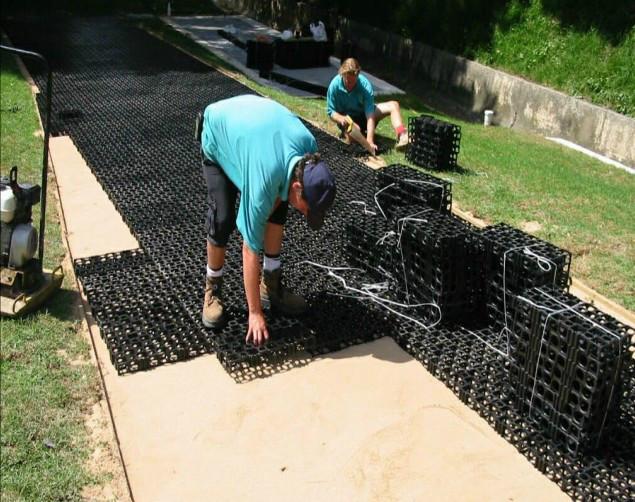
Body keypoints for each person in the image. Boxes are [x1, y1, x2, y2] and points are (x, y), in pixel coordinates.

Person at [200, 94, 337, 346]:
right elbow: (250, 247)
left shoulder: (309, 150)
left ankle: (271, 285)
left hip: (253, 137)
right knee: (223, 217)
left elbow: (282, 196)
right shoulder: (265, 178)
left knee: (278, 206)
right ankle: (213, 288)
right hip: (218, 136)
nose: (307, 214)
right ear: (298, 187)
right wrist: (254, 313)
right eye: (309, 209)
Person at [326, 58, 409, 155]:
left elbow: (370, 116)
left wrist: (370, 141)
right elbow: (331, 112)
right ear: (342, 75)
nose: (350, 85)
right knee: (353, 139)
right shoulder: (334, 86)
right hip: (347, 120)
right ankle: (355, 135)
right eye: (347, 81)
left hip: (364, 116)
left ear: (358, 76)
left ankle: (402, 134)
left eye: (353, 82)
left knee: (394, 105)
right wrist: (341, 118)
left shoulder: (365, 85)